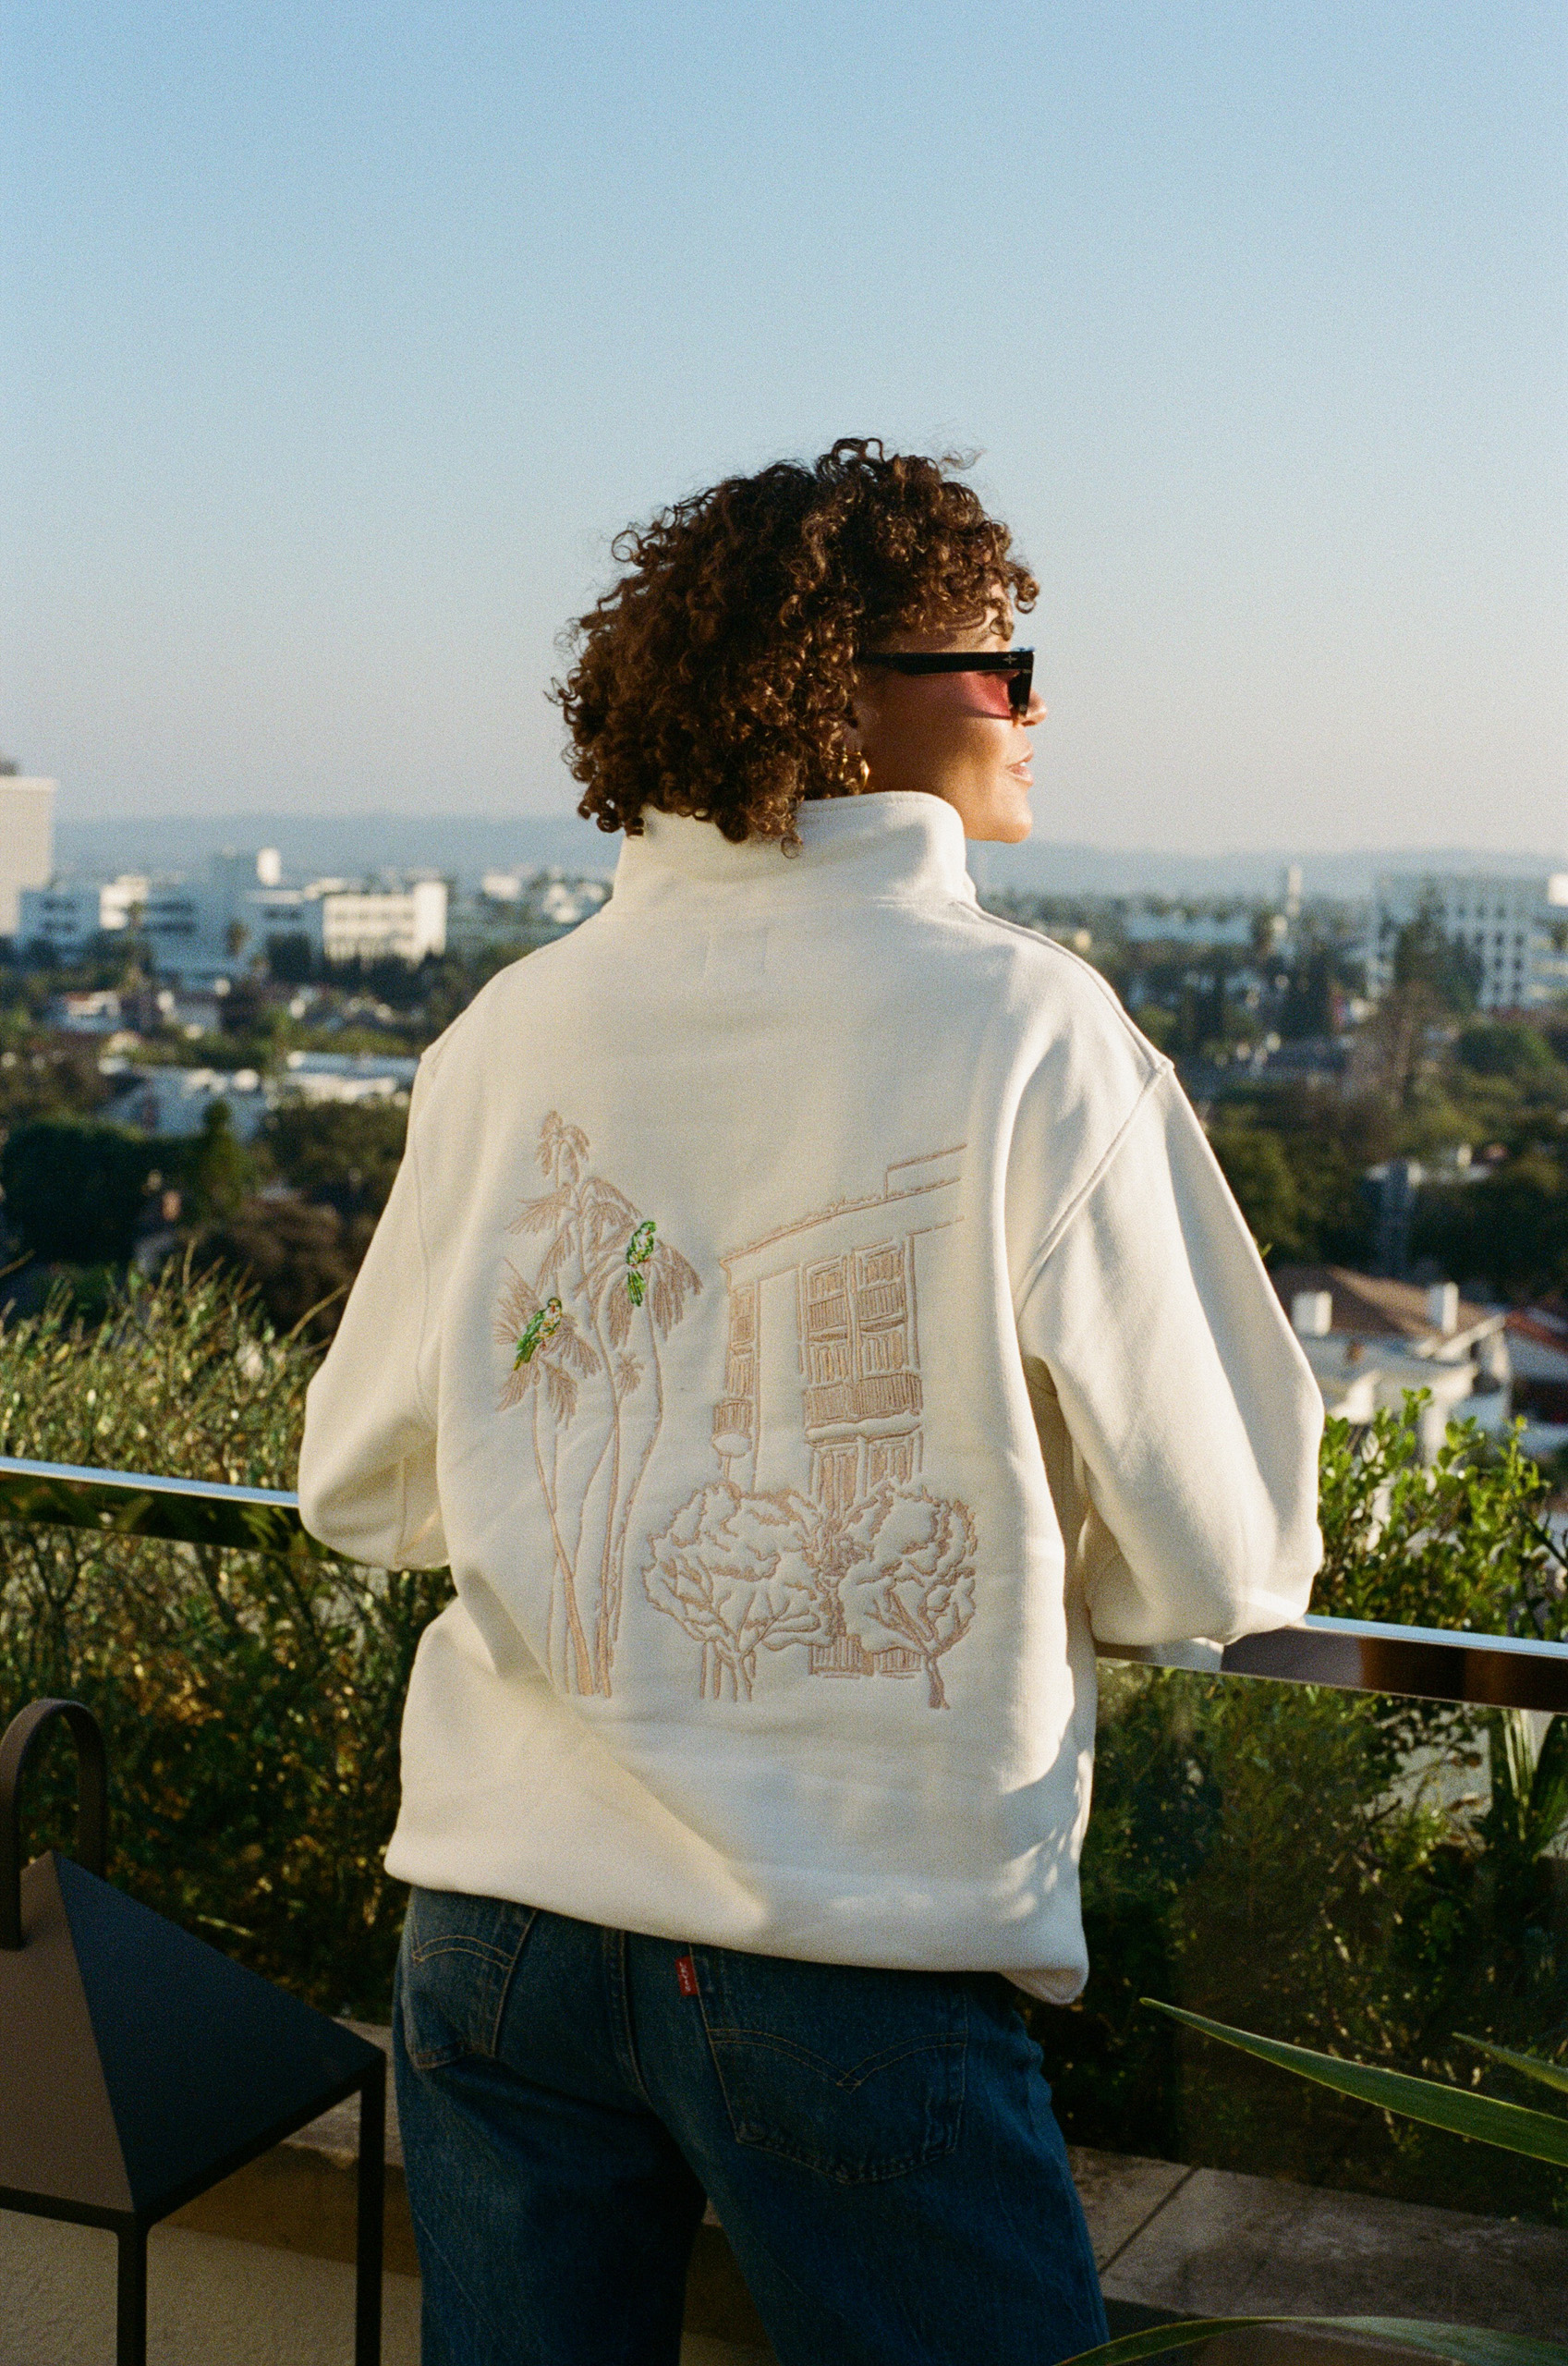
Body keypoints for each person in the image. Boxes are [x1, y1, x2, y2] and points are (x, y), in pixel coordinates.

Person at [299, 439, 1323, 2366]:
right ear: (842, 688)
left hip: (498, 1927)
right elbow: (1230, 1550)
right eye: (1000, 662)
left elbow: (361, 1486)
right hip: (851, 1947)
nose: (1035, 705)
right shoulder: (1029, 1028)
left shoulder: (513, 1029)